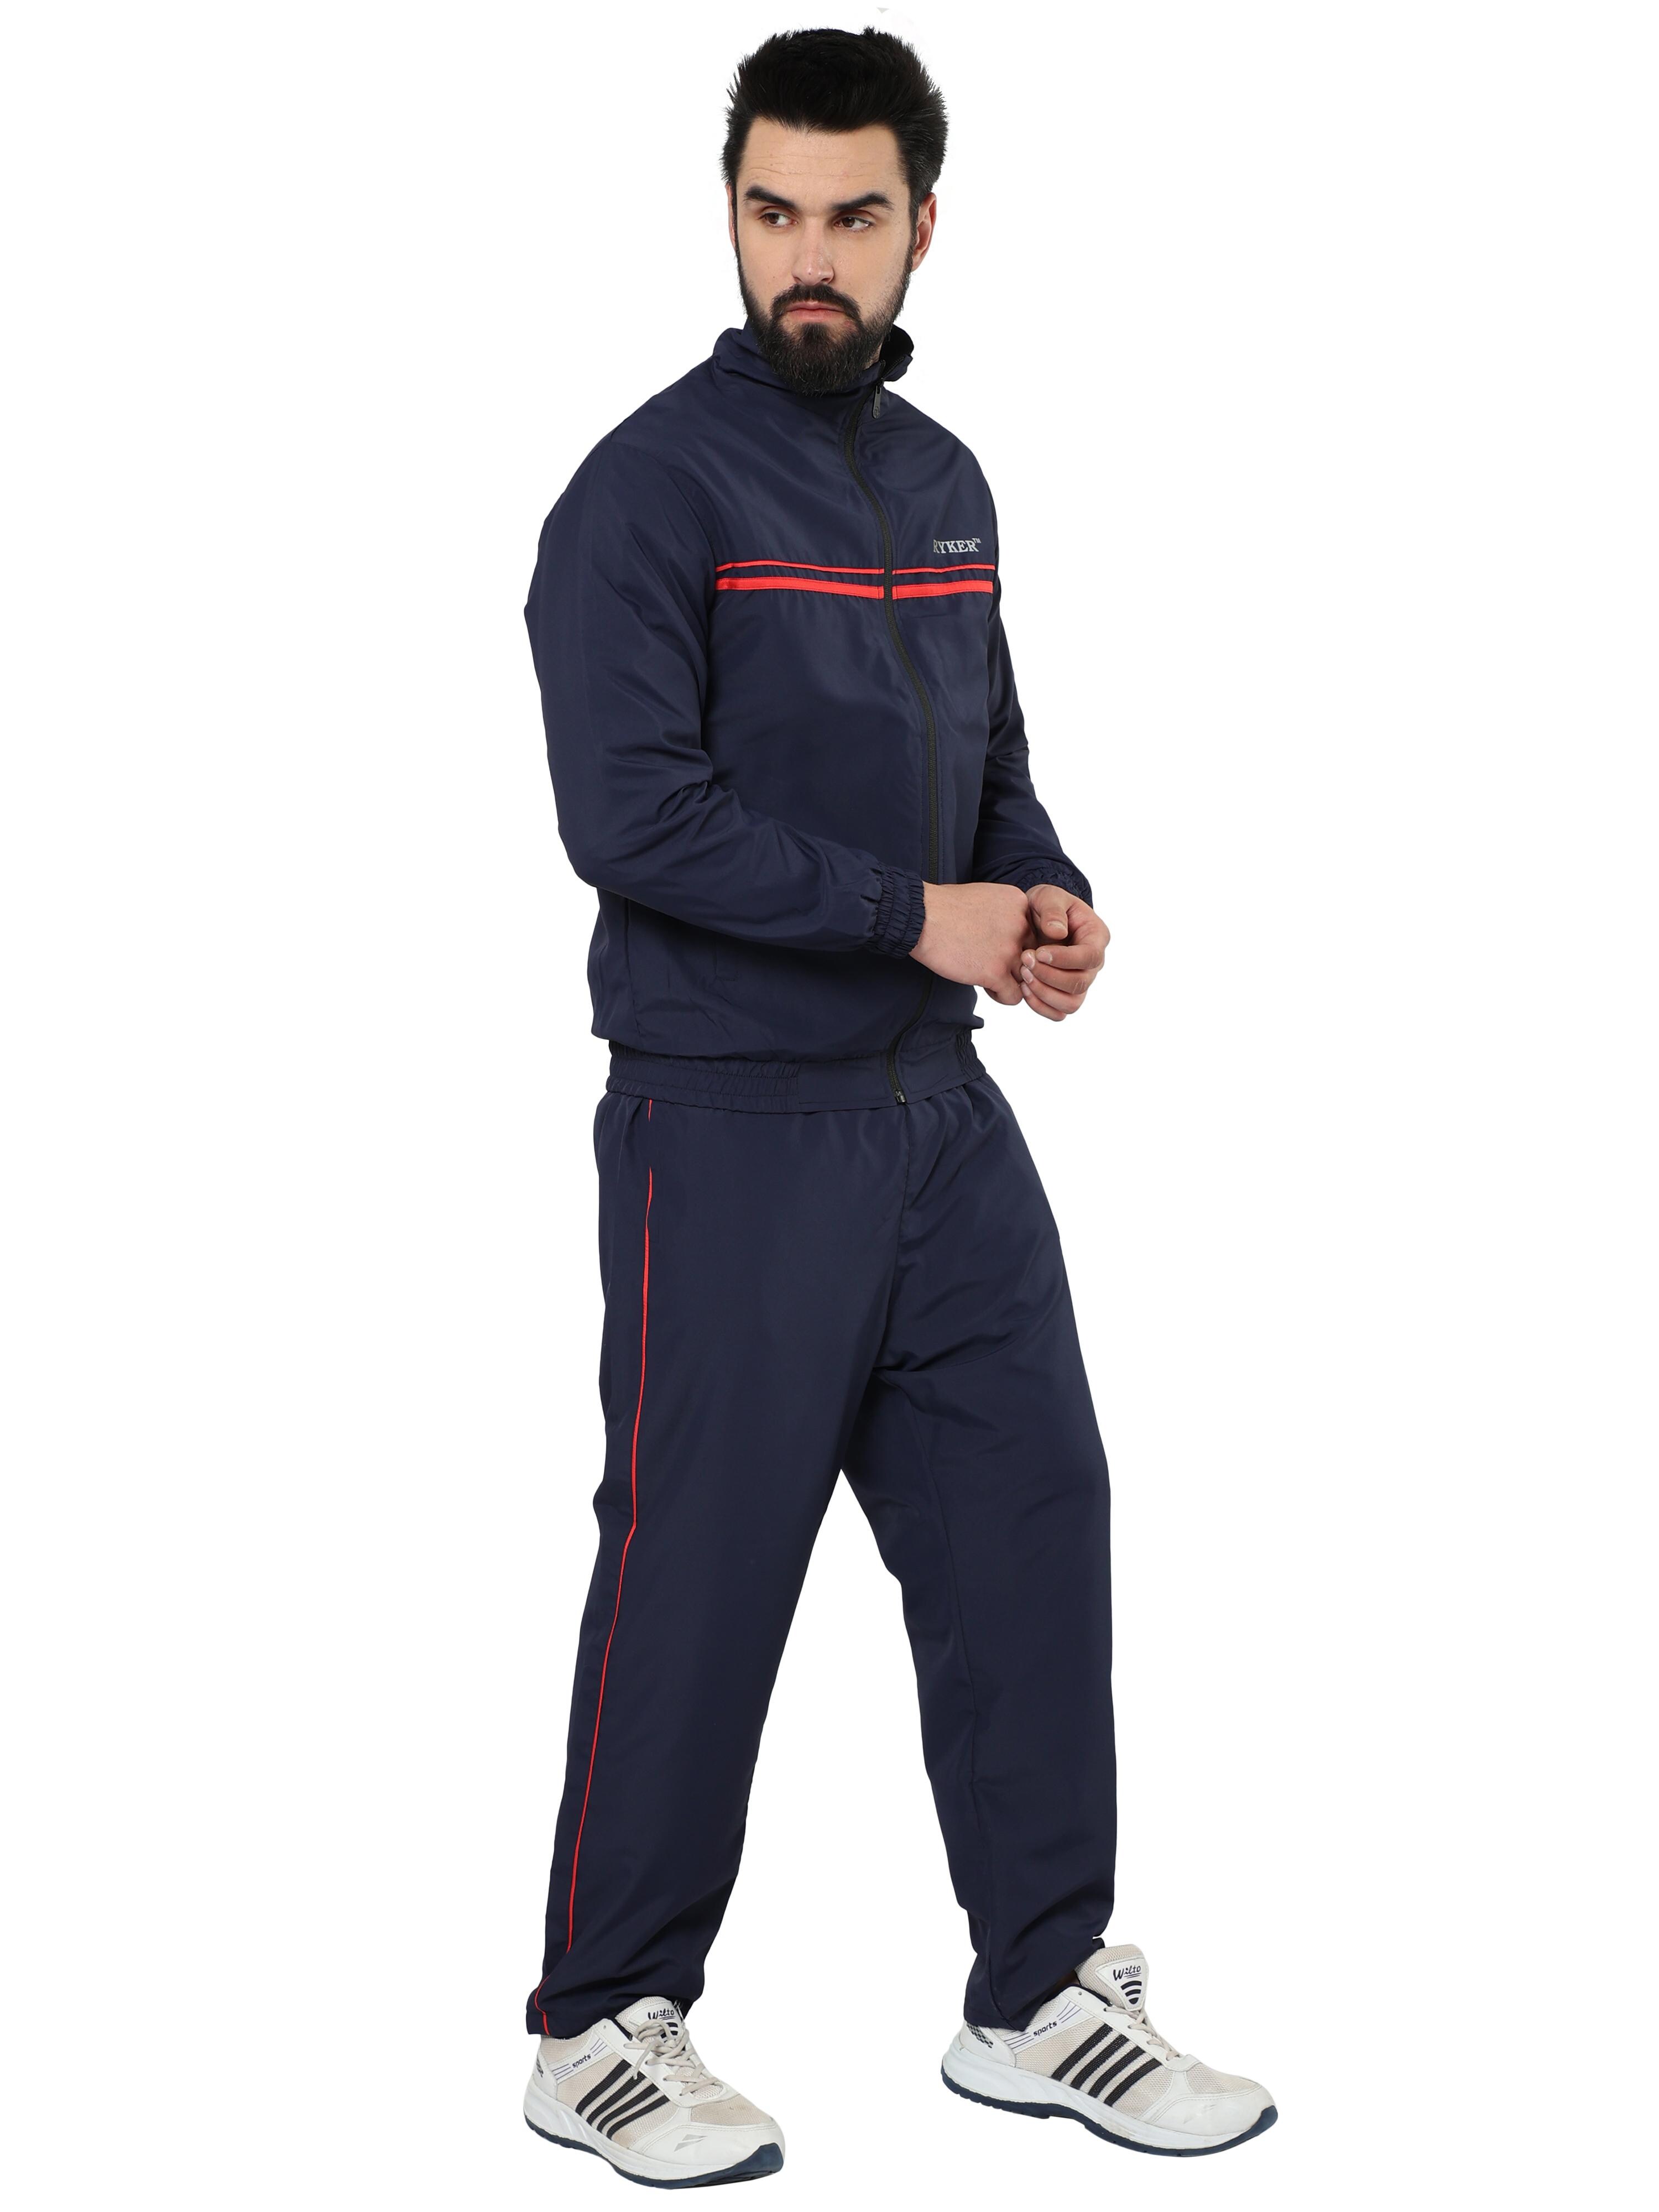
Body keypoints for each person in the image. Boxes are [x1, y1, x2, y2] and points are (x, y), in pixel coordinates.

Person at [519, 28, 1274, 2185]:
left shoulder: (946, 481)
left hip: (937, 1117)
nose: (810, 257)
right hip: (728, 1124)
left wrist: (1038, 896)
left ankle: (1038, 1994)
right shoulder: (647, 493)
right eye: (774, 212)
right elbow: (631, 818)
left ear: (924, 223)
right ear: (730, 214)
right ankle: (597, 2022)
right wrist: (909, 916)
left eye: (853, 215)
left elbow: (989, 756)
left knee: (1034, 1520)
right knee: (702, 1569)